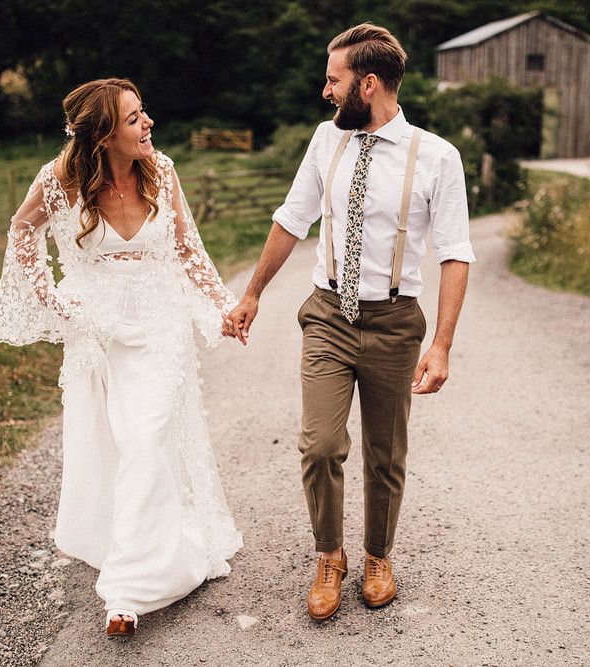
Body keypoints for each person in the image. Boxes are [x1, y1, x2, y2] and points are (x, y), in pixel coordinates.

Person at [224, 24, 474, 620]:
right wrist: (253, 292)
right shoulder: (323, 141)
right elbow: (293, 218)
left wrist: (440, 346)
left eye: (334, 80)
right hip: (329, 315)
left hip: (394, 322)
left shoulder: (438, 156)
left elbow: (455, 253)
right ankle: (329, 555)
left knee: (385, 453)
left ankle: (378, 555)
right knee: (320, 445)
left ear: (368, 83)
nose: (325, 91)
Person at [0, 78, 242, 637]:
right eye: (133, 119)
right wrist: (51, 297)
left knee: (148, 436)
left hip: (160, 327)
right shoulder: (59, 181)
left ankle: (127, 589)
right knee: (118, 442)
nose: (148, 122)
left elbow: (187, 250)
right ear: (103, 135)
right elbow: (21, 231)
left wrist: (224, 305)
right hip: (98, 331)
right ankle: (131, 538)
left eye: (144, 112)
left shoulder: (165, 171)